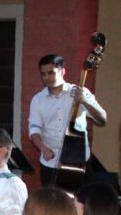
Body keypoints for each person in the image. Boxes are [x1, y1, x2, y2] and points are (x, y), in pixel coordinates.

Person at [28, 54, 107, 186]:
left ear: (63, 71)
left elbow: (102, 119)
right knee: (52, 204)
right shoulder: (38, 100)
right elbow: (34, 129)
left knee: (80, 202)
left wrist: (86, 101)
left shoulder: (80, 92)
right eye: (43, 74)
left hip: (77, 159)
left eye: (51, 73)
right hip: (50, 161)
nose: (47, 77)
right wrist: (43, 148)